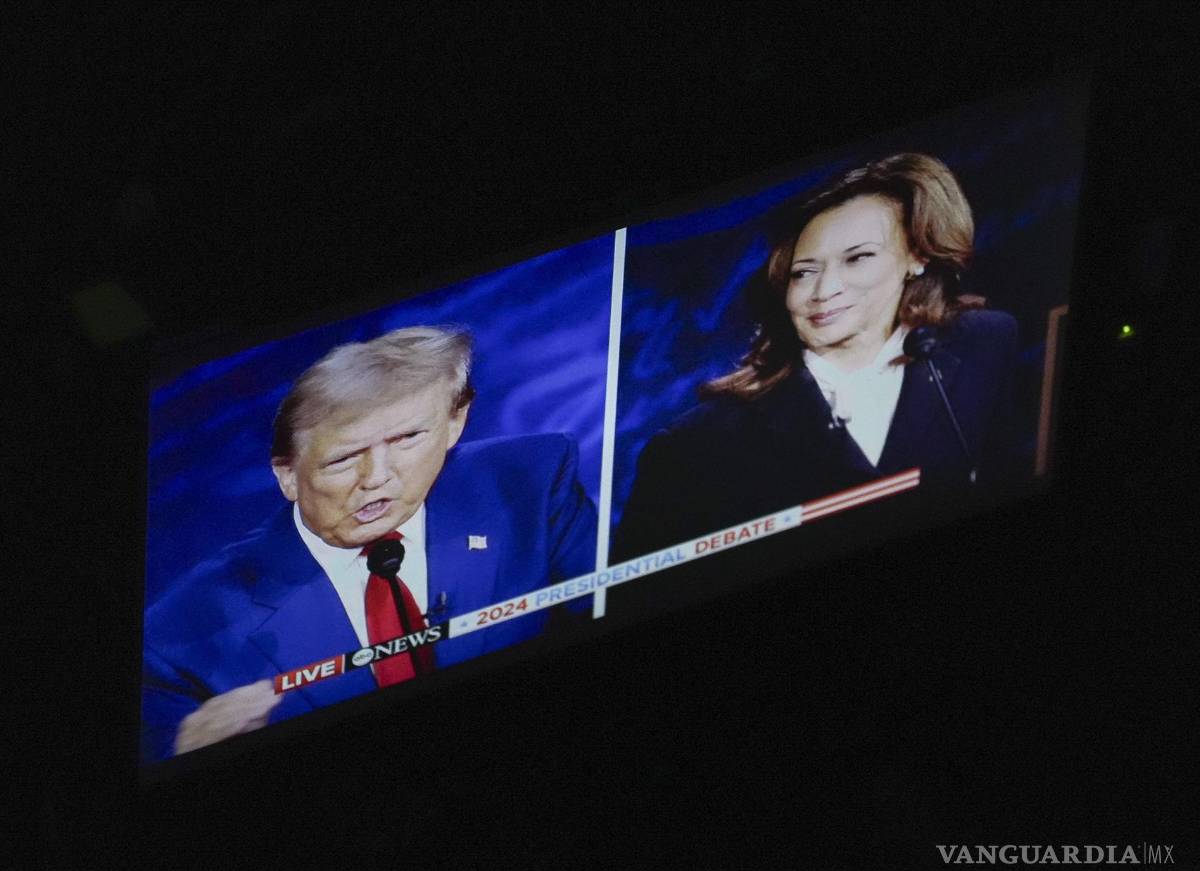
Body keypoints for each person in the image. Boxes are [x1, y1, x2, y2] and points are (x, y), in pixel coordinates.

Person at [142, 326, 597, 762]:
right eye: (343, 458)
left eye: (407, 439)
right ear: (286, 475)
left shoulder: (530, 483)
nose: (377, 478)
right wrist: (181, 750)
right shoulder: (181, 634)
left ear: (455, 422)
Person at [613, 153, 1026, 562]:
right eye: (804, 272)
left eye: (857, 258)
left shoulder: (984, 343)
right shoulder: (694, 446)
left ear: (917, 257)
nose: (825, 290)